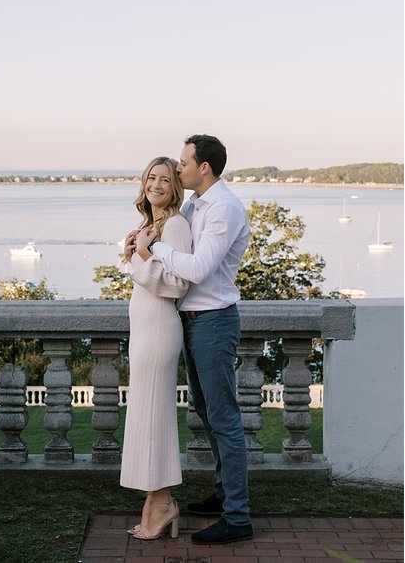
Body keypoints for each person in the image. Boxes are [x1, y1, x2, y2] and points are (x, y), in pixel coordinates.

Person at [135, 134, 253, 545]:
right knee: (207, 411)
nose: (179, 168)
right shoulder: (195, 206)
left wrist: (152, 251)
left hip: (214, 321)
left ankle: (238, 517)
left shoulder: (224, 208)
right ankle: (223, 497)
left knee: (224, 418)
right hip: (192, 321)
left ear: (204, 167)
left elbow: (199, 268)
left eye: (184, 162)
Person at [120, 156, 191, 540]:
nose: (157, 185)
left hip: (161, 330)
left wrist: (143, 255)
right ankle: (156, 500)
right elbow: (149, 277)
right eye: (151, 178)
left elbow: (179, 286)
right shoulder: (151, 225)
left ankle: (162, 503)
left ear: (175, 187)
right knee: (146, 416)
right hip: (143, 330)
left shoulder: (177, 224)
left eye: (165, 179)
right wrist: (132, 249)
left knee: (155, 417)